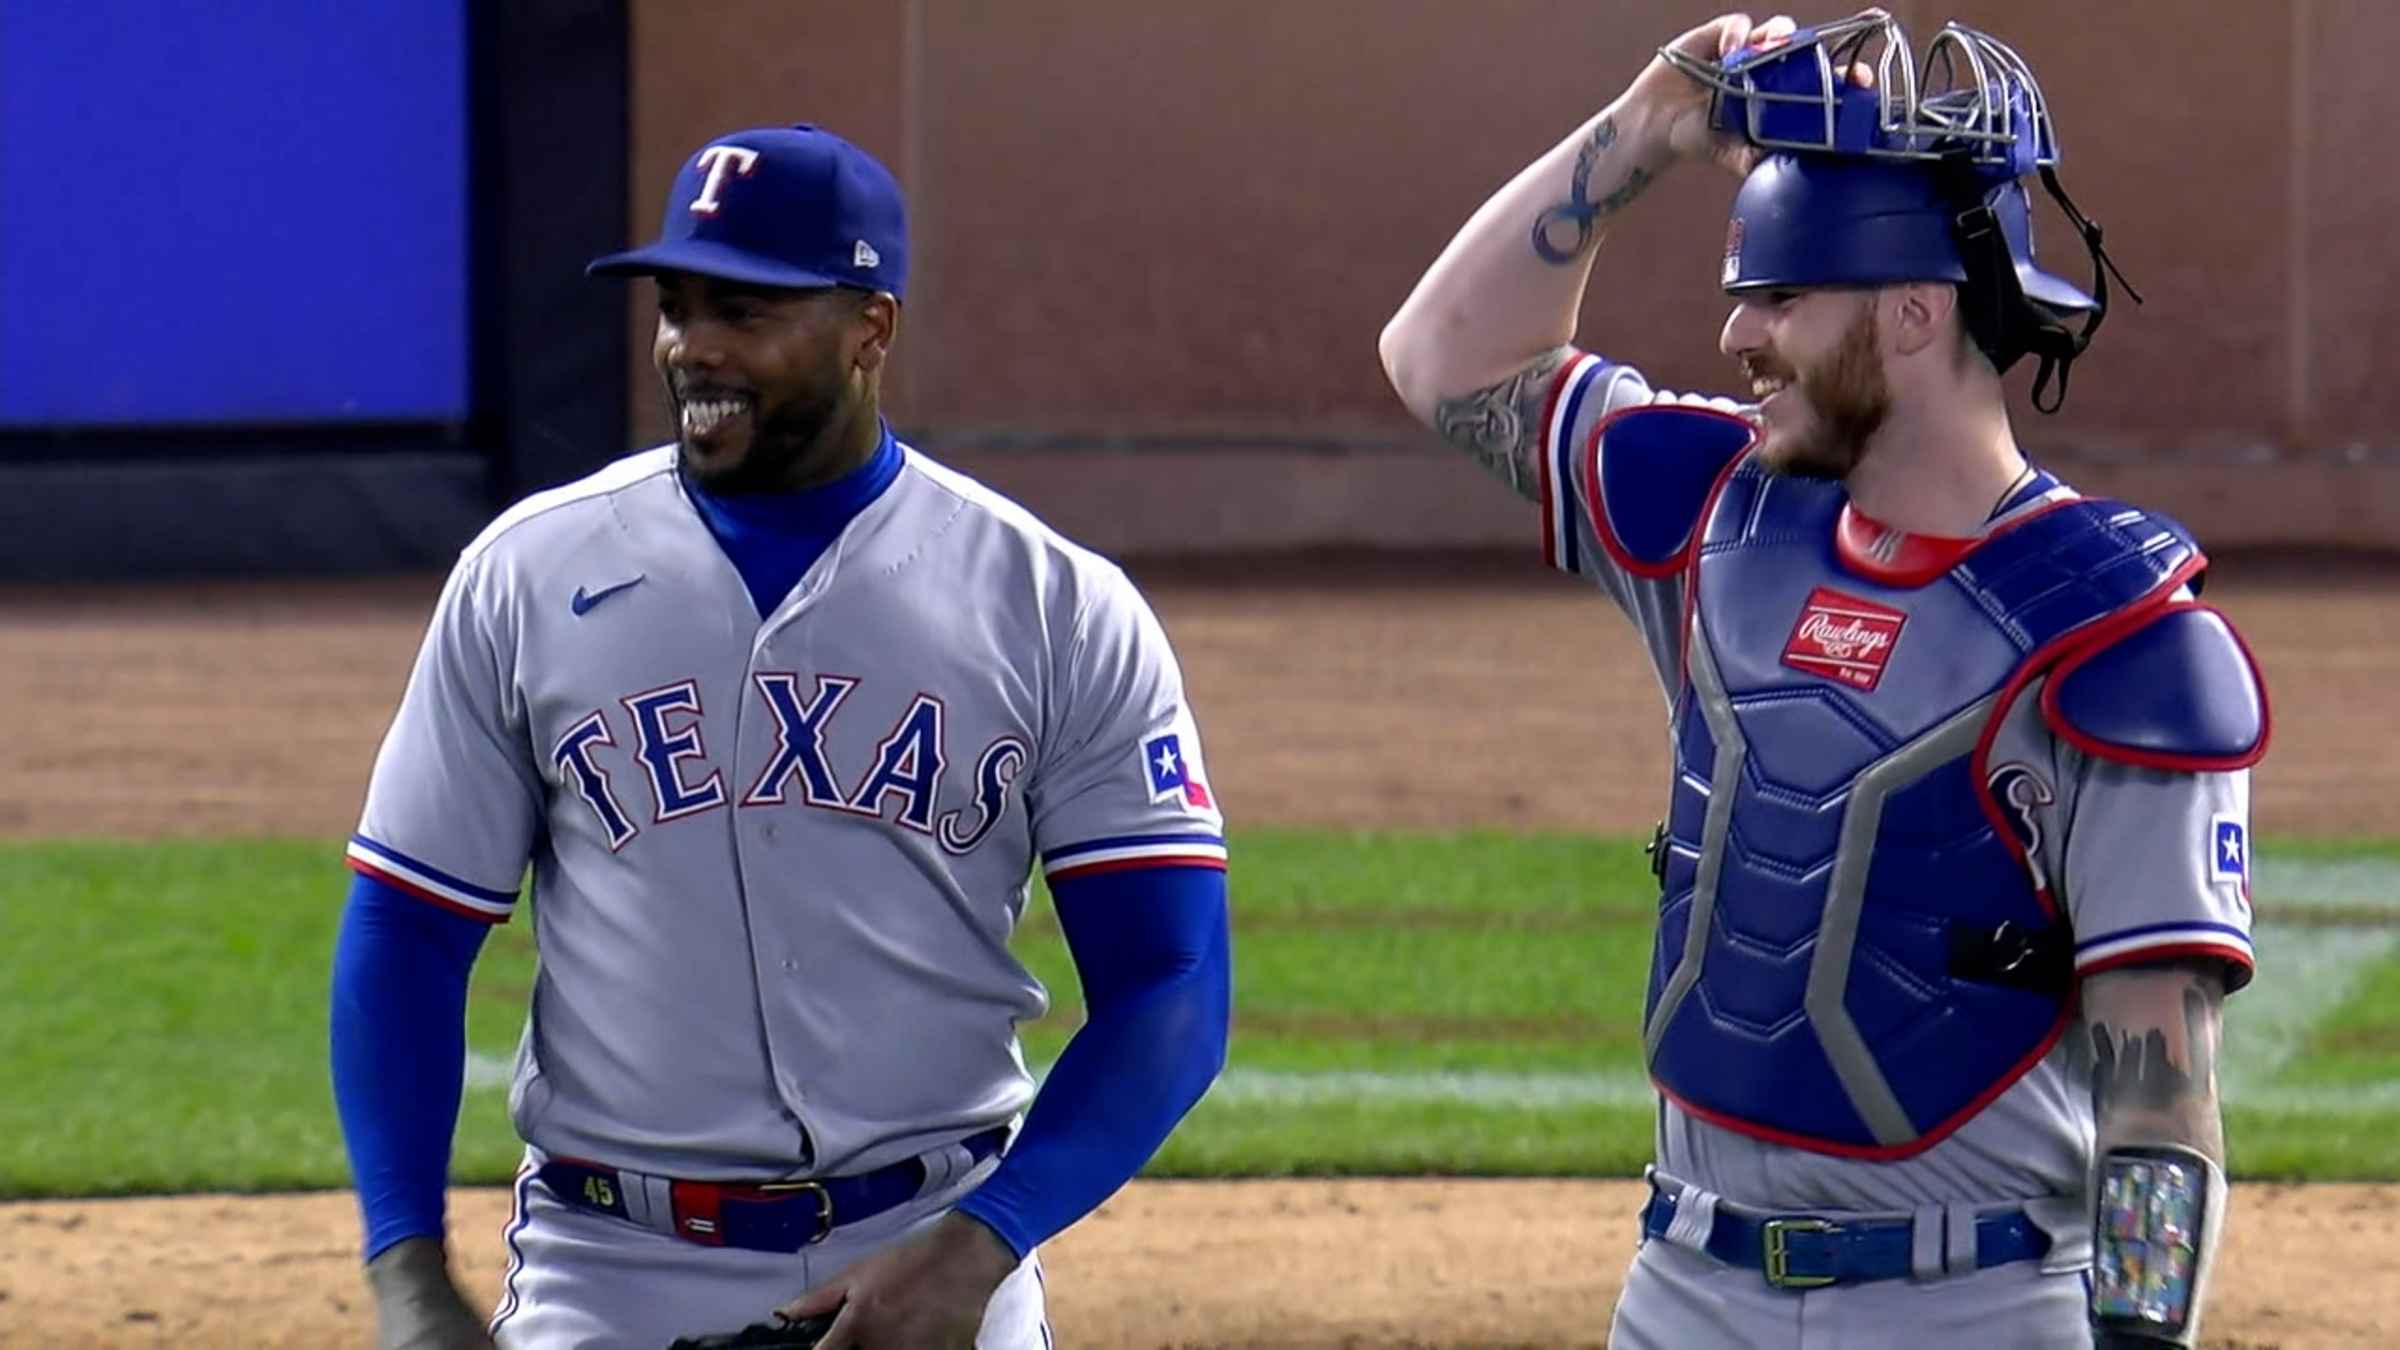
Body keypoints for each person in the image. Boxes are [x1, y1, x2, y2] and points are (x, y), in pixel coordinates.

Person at [1379, 10, 2264, 1347]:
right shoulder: (1717, 516)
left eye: (1781, 297)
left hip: (1974, 1306)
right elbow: (1442, 359)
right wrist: (1647, 126)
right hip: (1680, 1286)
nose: (1737, 333)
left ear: (1914, 312)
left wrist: (2140, 1333)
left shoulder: (2123, 638)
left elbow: (2161, 1096)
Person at [331, 122, 1232, 1350]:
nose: (692, 345)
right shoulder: (529, 575)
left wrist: (985, 1242)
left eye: (745, 310)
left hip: (937, 1244)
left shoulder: (1050, 602)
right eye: (676, 304)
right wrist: (404, 1271)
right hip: (612, 1266)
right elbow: (406, 927)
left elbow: (1173, 979)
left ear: (873, 326)